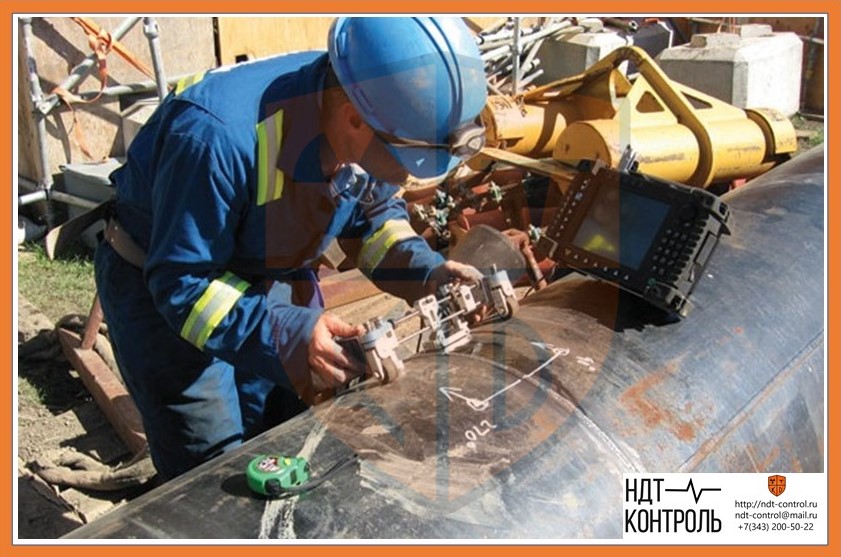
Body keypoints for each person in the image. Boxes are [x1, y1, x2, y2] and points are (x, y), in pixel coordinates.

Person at [94, 17, 489, 481]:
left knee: (291, 435)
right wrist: (287, 333)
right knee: (214, 472)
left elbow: (373, 219)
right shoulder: (215, 137)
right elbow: (182, 283)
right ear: (353, 119)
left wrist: (427, 273)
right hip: (168, 294)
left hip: (267, 274)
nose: (410, 174)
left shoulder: (371, 103)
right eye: (409, 158)